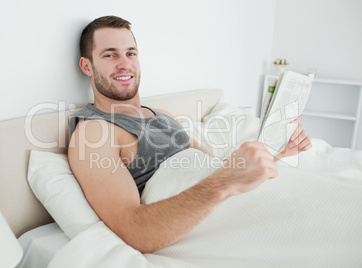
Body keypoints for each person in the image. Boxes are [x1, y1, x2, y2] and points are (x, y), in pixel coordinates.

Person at [68, 15, 312, 253]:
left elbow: (213, 168)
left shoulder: (161, 114)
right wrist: (227, 181)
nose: (125, 64)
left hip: (237, 201)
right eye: (110, 55)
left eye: (131, 53)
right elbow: (132, 228)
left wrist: (277, 153)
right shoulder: (93, 131)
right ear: (86, 66)